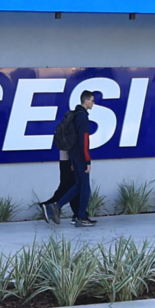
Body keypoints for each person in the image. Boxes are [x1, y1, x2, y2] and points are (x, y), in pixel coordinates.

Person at [48, 88, 99, 225]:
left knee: (78, 185)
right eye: (92, 101)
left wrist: (73, 160)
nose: (93, 103)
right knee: (85, 188)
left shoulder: (75, 114)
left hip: (73, 155)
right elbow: (84, 140)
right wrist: (87, 160)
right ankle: (81, 217)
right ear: (86, 101)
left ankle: (58, 207)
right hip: (81, 156)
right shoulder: (82, 117)